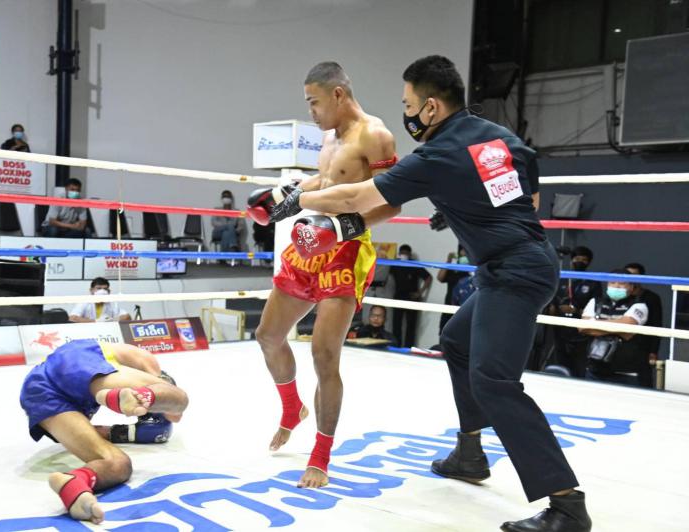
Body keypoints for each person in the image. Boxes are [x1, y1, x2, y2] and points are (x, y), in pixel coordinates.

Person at [269, 55, 590, 531]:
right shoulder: (500, 137)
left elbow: (358, 197)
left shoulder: (437, 154)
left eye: (408, 105)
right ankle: (469, 452)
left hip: (515, 274)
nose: (406, 114)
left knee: (494, 381)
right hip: (522, 261)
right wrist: (462, 203)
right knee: (457, 341)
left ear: (432, 107)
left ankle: (566, 504)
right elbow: (527, 199)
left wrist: (299, 198)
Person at [247, 61, 400, 489]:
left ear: (337, 94)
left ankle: (320, 455)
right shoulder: (331, 136)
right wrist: (286, 197)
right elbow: (330, 179)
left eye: (313, 102)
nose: (311, 113)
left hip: (346, 250)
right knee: (268, 335)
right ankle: (292, 407)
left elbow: (391, 202)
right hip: (310, 241)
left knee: (324, 354)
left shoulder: (376, 135)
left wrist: (343, 227)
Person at [19, 339, 188, 524]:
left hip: (38, 391)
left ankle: (74, 482)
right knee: (180, 397)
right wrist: (164, 393)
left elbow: (97, 431)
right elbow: (174, 413)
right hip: (76, 359)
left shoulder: (104, 376)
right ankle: (139, 396)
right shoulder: (144, 361)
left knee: (118, 464)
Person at [580, 269, 653, 387]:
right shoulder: (595, 301)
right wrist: (617, 328)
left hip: (626, 373)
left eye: (622, 283)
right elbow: (583, 327)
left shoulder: (639, 305)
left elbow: (626, 328)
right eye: (612, 282)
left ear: (631, 287)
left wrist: (595, 324)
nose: (616, 286)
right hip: (594, 370)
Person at [548, 246, 602, 377]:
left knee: (579, 367)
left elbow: (597, 307)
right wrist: (553, 308)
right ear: (571, 260)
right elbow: (552, 300)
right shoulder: (562, 277)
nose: (580, 262)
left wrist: (576, 310)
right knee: (559, 364)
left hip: (581, 332)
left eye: (584, 260)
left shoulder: (593, 282)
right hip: (560, 328)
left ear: (589, 262)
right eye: (577, 258)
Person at [389, 243, 431, 347]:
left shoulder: (414, 264)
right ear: (399, 253)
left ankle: (408, 348)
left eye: (406, 253)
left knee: (411, 326)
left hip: (412, 297)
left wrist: (419, 292)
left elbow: (428, 277)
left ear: (410, 254)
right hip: (398, 297)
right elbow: (387, 276)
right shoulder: (395, 264)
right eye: (402, 253)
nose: (404, 255)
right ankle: (396, 347)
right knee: (396, 324)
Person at [624, 262, 663, 363]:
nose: (631, 279)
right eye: (628, 275)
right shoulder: (618, 296)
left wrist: (653, 351)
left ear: (641, 278)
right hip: (620, 346)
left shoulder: (651, 298)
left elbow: (656, 324)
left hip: (642, 346)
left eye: (634, 276)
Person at [437, 244, 470, 334]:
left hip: (465, 309)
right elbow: (440, 278)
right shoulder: (453, 269)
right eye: (462, 252)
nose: (464, 254)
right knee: (444, 335)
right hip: (449, 307)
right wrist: (448, 260)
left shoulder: (472, 270)